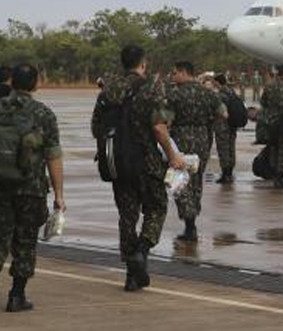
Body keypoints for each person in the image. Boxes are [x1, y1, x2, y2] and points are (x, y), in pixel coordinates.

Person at [0, 64, 66, 316]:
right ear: (35, 85)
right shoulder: (44, 114)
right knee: (25, 241)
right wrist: (59, 195)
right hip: (30, 189)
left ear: (11, 82)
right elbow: (53, 156)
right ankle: (17, 296)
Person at [91, 45, 182, 292]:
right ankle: (141, 251)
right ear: (143, 64)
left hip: (118, 163)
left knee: (127, 216)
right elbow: (159, 128)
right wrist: (173, 155)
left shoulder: (107, 91)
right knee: (157, 208)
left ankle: (131, 276)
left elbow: (96, 128)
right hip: (146, 162)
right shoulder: (150, 88)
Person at [166, 62, 227, 242]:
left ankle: (189, 222)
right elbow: (224, 114)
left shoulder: (174, 94)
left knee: (178, 178)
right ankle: (192, 219)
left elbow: (165, 120)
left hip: (181, 139)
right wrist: (208, 121)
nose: (173, 76)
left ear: (184, 73)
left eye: (175, 73)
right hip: (203, 139)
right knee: (196, 178)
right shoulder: (209, 93)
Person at [213, 74, 240, 184]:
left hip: (222, 126)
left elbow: (218, 110)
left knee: (223, 149)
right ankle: (230, 172)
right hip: (233, 125)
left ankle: (225, 174)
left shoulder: (219, 95)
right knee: (231, 148)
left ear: (217, 82)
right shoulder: (232, 92)